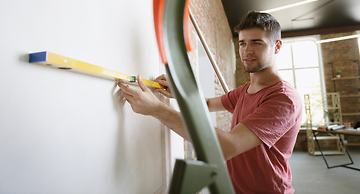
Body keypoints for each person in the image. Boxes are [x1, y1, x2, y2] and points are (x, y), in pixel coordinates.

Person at [115, 11, 302, 194]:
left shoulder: (283, 99)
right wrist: (180, 93)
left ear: (277, 46)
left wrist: (158, 109)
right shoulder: (245, 90)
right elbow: (205, 105)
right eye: (243, 43)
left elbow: (227, 147)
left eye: (257, 43)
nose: (247, 50)